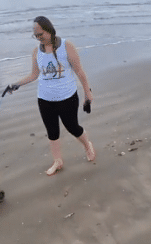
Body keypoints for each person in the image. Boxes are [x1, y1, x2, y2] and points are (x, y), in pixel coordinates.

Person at [6, 16, 95, 176]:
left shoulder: (66, 46)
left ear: (49, 30)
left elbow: (80, 72)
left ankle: (87, 146)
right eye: (36, 36)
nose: (39, 38)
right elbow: (34, 75)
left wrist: (88, 93)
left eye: (40, 34)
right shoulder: (36, 52)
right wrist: (17, 84)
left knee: (73, 127)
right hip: (45, 100)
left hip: (67, 97)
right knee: (52, 132)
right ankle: (58, 161)